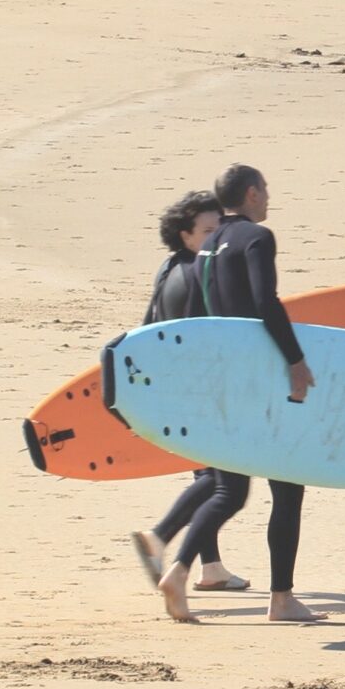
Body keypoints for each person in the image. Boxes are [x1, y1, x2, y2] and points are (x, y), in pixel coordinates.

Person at [167, 162, 323, 624]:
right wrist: (295, 361)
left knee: (227, 486)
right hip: (261, 381)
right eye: (266, 189)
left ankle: (178, 570)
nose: (268, 198)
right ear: (253, 194)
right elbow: (264, 302)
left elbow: (202, 312)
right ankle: (282, 599)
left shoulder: (210, 243)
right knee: (288, 485)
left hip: (223, 382)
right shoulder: (258, 238)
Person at [128, 190, 253, 603]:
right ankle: (161, 540)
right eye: (208, 231)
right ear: (186, 235)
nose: (217, 237)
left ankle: (210, 567)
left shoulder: (167, 270)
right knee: (225, 485)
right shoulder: (204, 273)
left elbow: (147, 327)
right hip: (207, 392)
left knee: (211, 477)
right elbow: (225, 333)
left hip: (175, 392)